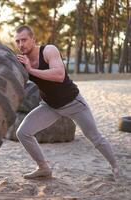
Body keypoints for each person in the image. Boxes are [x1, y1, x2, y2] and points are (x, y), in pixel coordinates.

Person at [14, 25, 120, 180]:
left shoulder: (49, 50)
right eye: (17, 41)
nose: (21, 44)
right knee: (23, 133)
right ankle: (43, 167)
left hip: (73, 103)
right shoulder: (22, 61)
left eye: (24, 40)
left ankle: (115, 166)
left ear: (33, 39)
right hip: (50, 106)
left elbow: (59, 75)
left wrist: (31, 70)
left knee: (95, 137)